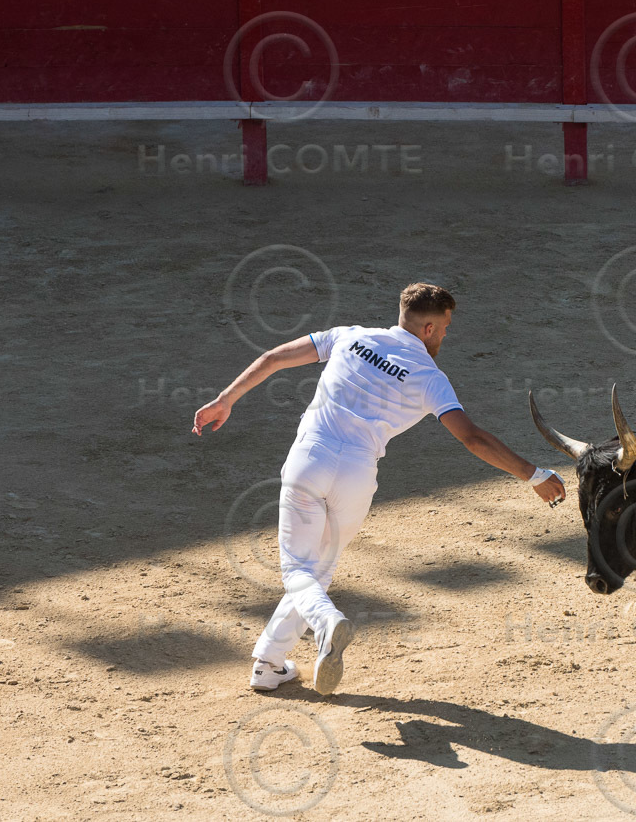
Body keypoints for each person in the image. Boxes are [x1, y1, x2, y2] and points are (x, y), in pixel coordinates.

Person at [192, 283, 566, 695]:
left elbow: (274, 358)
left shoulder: (349, 336)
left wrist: (225, 400)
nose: (445, 336)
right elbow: (473, 438)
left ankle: (300, 641)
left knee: (300, 570)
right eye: (443, 328)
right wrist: (532, 474)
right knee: (316, 570)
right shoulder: (429, 377)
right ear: (427, 328)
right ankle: (276, 658)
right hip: (356, 474)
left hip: (308, 460)